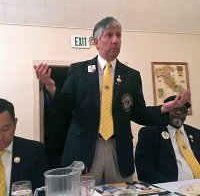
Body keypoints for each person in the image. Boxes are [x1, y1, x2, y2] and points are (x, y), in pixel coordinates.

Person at [34, 16, 191, 185]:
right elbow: (63, 108)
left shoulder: (131, 76)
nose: (115, 40)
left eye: (118, 35)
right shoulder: (78, 70)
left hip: (119, 149)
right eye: (109, 35)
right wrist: (51, 86)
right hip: (85, 149)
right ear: (96, 41)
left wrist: (164, 108)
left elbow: (139, 113)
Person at [135, 95, 200, 184]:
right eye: (175, 109)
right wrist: (170, 188)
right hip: (171, 189)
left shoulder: (196, 133)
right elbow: (145, 171)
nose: (179, 113)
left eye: (183, 110)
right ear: (166, 110)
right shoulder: (150, 133)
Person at [0, 98, 48, 195]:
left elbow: (44, 190)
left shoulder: (34, 151)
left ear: (15, 123)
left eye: (5, 129)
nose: (0, 137)